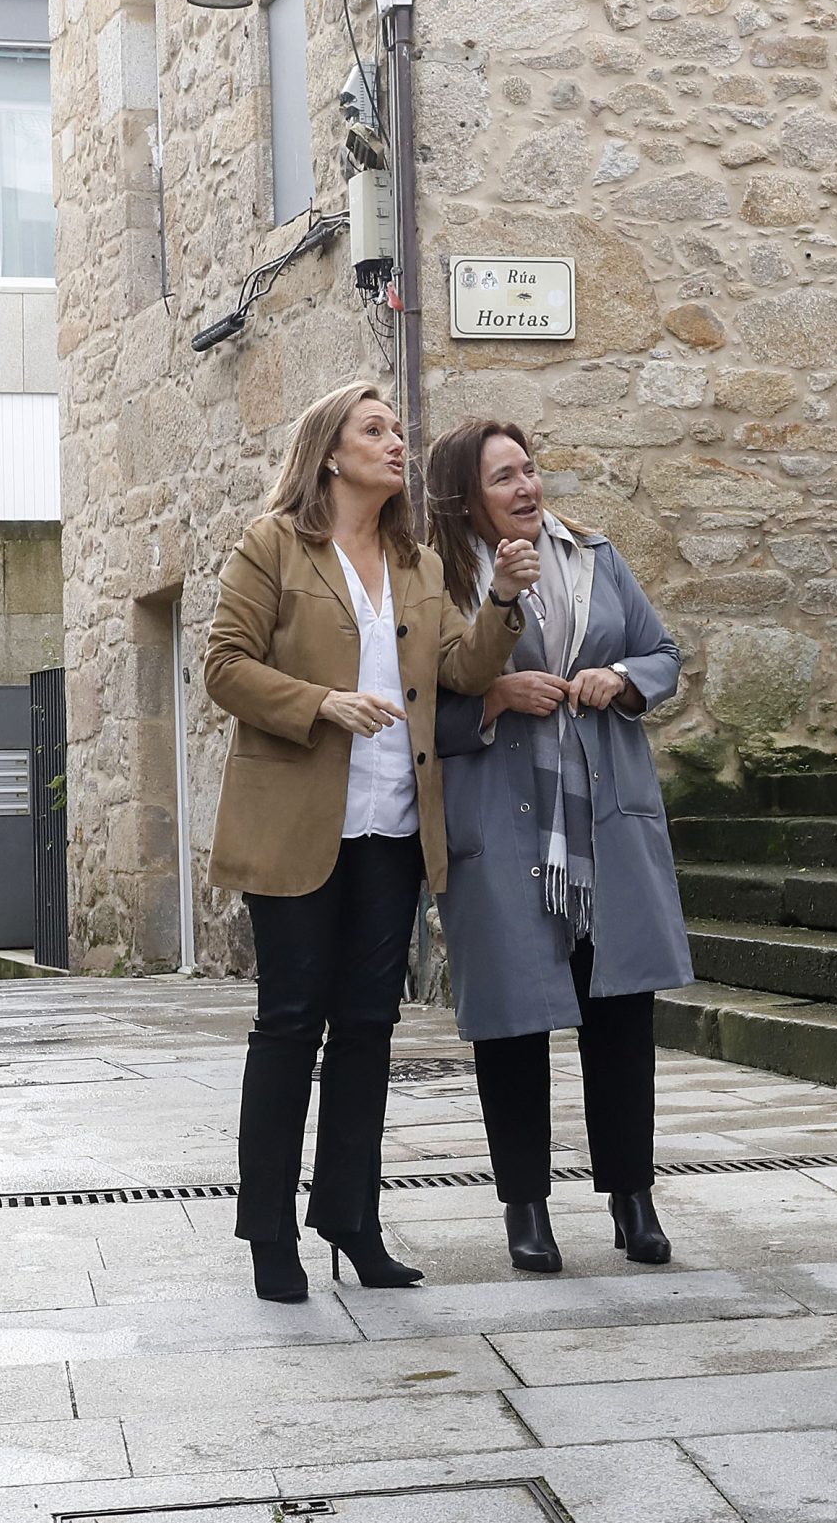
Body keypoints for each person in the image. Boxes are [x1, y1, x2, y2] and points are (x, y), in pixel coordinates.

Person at [203, 383, 539, 1303]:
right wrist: (322, 704)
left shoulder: (420, 562)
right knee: (289, 1022)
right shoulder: (271, 544)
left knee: (367, 1027)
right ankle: (271, 1232)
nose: (398, 443)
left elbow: (463, 671)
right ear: (330, 453)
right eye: (376, 430)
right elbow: (223, 665)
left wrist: (504, 600)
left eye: (398, 430)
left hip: (394, 825)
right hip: (296, 828)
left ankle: (351, 1217)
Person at [423, 418, 694, 1273]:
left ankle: (632, 1197)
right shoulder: (441, 579)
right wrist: (493, 698)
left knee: (620, 1011)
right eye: (503, 478)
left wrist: (621, 679)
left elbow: (662, 651)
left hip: (604, 818)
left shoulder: (595, 554)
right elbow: (421, 707)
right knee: (512, 1020)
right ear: (467, 498)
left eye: (529, 469)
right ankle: (526, 1209)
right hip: (505, 823)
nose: (527, 488)